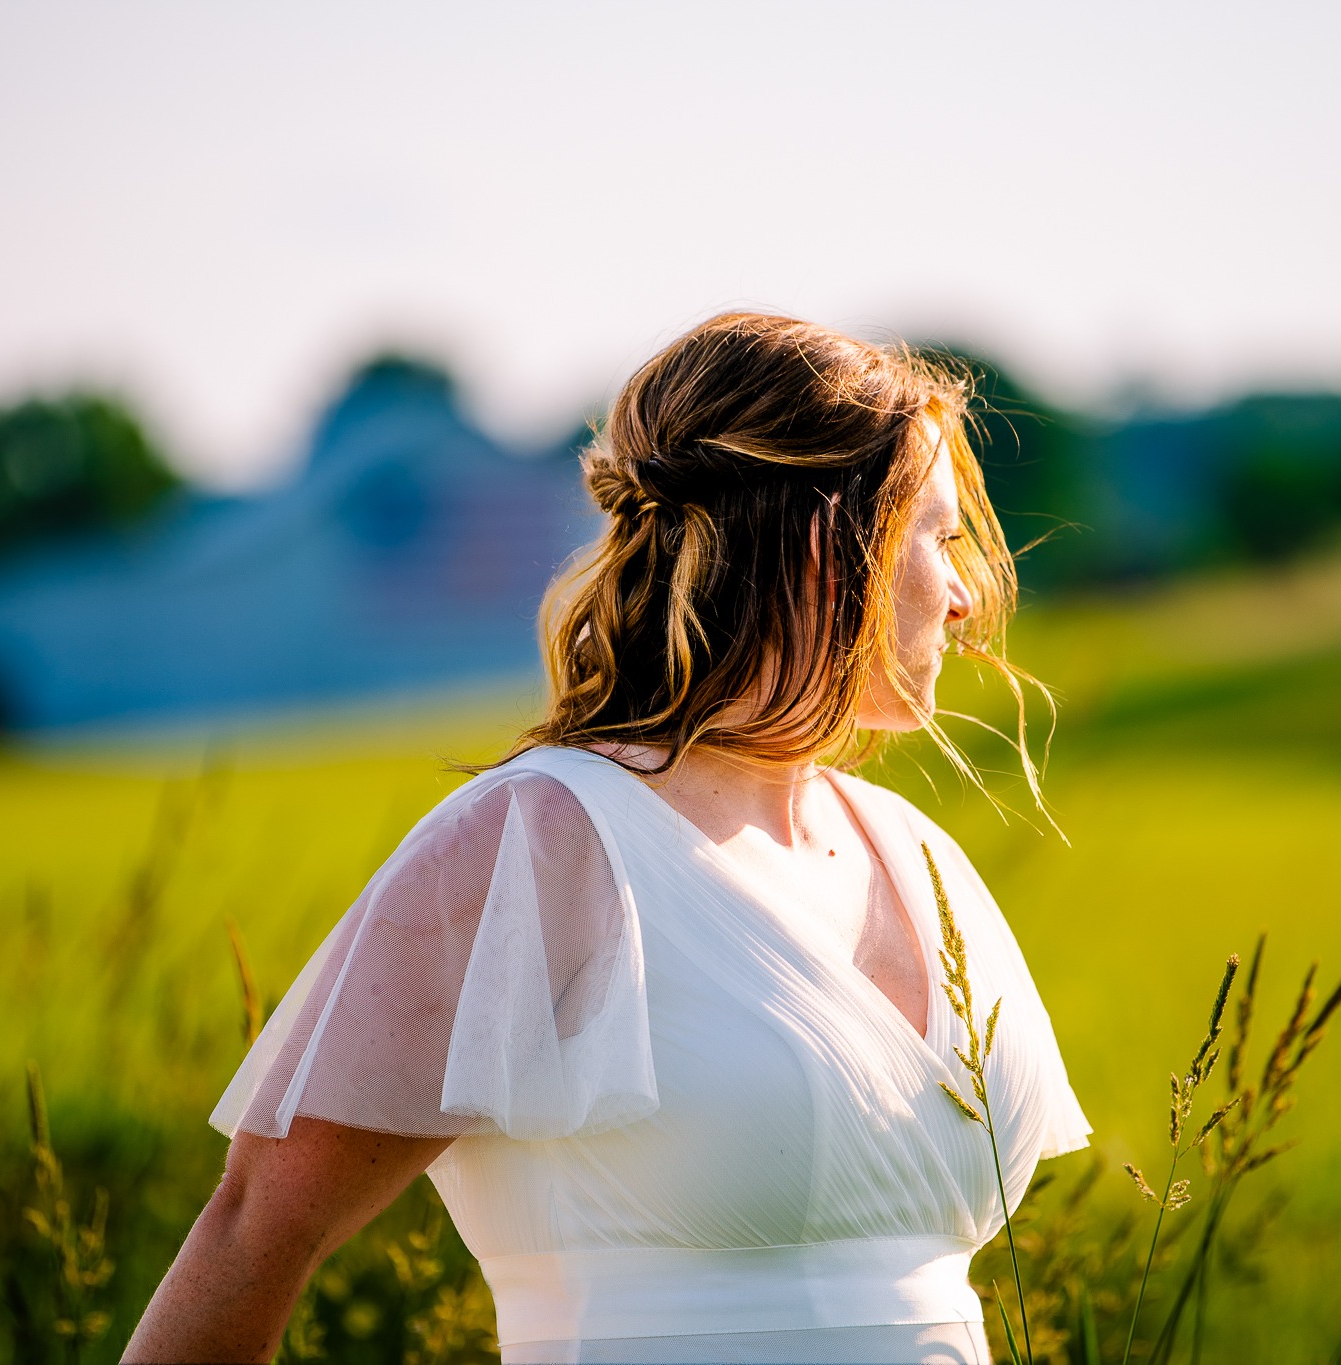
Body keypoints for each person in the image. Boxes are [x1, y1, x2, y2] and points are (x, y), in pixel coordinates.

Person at [123, 313, 1090, 1364]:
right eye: (936, 538)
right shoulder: (541, 844)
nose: (960, 599)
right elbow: (259, 1226)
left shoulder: (919, 859)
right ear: (830, 546)